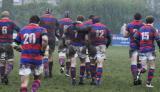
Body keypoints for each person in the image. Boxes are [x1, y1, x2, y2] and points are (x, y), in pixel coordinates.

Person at [14, 15, 48, 92]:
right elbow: (45, 40)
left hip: (25, 59)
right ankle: (33, 90)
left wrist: (20, 49)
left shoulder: (22, 30)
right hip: (37, 59)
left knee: (24, 83)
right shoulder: (42, 29)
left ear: (29, 21)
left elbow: (14, 44)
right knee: (37, 78)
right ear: (38, 22)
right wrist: (42, 50)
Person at [134, 16, 160, 88]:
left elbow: (135, 37)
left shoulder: (141, 28)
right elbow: (158, 39)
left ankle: (138, 73)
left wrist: (140, 45)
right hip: (150, 50)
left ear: (146, 21)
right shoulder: (153, 29)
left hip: (142, 50)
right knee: (152, 67)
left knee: (144, 68)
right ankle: (148, 83)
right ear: (153, 22)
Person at [88, 16, 111, 85]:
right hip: (102, 46)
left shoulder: (90, 27)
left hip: (92, 47)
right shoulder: (105, 27)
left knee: (92, 63)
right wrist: (106, 45)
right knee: (100, 64)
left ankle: (93, 79)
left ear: (93, 21)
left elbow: (87, 37)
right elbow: (109, 38)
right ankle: (98, 79)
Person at [65, 15, 88, 85]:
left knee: (73, 63)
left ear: (76, 19)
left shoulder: (70, 27)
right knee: (83, 62)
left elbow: (65, 36)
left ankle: (73, 80)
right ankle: (81, 79)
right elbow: (86, 38)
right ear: (83, 20)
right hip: (82, 46)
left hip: (72, 45)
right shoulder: (84, 27)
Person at [122, 13, 144, 85]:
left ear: (134, 17)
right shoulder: (143, 25)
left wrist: (124, 28)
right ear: (141, 17)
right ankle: (138, 78)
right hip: (141, 46)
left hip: (133, 45)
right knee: (139, 63)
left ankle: (135, 79)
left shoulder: (129, 25)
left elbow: (125, 36)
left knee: (133, 62)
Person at [0, 11, 20, 85]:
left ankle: (2, 77)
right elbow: (19, 30)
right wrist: (16, 41)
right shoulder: (11, 22)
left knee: (2, 61)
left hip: (0, 44)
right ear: (8, 16)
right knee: (10, 61)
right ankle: (6, 75)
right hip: (9, 44)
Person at [39, 9, 59, 78]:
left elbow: (38, 28)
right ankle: (50, 73)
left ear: (45, 12)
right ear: (50, 13)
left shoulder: (41, 18)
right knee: (50, 55)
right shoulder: (54, 19)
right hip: (52, 38)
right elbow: (57, 28)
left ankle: (46, 72)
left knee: (44, 55)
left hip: (43, 38)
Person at [58, 11, 73, 76]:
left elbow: (56, 30)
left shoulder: (60, 21)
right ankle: (67, 72)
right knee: (69, 56)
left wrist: (58, 37)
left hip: (61, 39)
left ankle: (62, 66)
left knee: (61, 53)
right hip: (69, 40)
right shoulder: (72, 22)